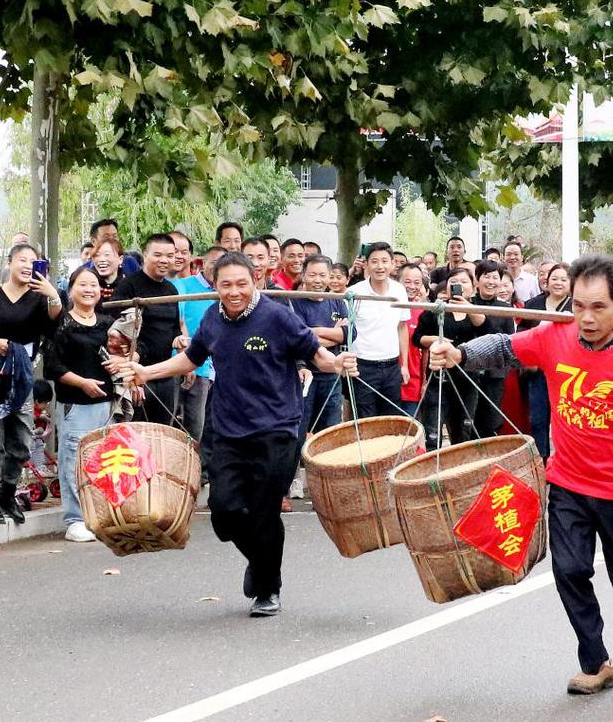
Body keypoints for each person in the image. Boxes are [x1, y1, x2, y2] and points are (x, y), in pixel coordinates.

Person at [428, 254, 613, 695]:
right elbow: (504, 348)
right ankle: (596, 661)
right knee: (569, 569)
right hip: (568, 481)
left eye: (598, 307)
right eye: (578, 306)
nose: (586, 318)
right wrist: (460, 353)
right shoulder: (554, 334)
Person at [122, 252, 358, 616]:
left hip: (277, 429)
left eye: (241, 284)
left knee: (263, 513)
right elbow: (191, 359)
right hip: (229, 430)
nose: (234, 292)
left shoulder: (277, 316)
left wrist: (337, 363)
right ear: (214, 285)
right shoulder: (213, 320)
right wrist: (146, 372)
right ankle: (260, 562)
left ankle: (268, 588)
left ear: (256, 280)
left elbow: (317, 354)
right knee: (224, 513)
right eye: (225, 285)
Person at [0, 243, 63, 524]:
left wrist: (53, 295)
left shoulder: (40, 298)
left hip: (22, 375)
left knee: (23, 439)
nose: (27, 266)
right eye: (22, 260)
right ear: (10, 262)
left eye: (33, 262)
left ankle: (7, 491)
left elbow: (54, 326)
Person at [43, 268, 118, 542]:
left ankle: (101, 515)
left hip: (109, 404)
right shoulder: (62, 324)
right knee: (73, 461)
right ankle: (75, 519)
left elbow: (131, 350)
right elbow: (52, 367)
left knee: (105, 460)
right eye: (83, 284)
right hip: (75, 404)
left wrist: (120, 362)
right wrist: (82, 382)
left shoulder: (108, 323)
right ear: (71, 289)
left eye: (94, 285)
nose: (89, 289)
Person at [110, 234, 181, 426]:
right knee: (136, 432)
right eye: (157, 254)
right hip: (137, 373)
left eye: (170, 255)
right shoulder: (129, 286)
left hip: (164, 374)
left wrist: (179, 340)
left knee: (163, 430)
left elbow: (174, 327)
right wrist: (131, 378)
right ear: (145, 255)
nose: (164, 260)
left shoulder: (171, 290)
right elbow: (117, 333)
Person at [413, 268, 486, 449]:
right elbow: (417, 338)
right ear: (446, 286)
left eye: (464, 282)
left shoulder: (478, 310)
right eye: (454, 282)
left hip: (468, 379)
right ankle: (432, 471)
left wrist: (467, 307)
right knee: (433, 431)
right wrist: (435, 340)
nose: (458, 285)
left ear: (473, 287)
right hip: (439, 379)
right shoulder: (436, 310)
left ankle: (458, 470)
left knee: (463, 429)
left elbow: (486, 328)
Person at [290, 255, 350, 437]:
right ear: (303, 275)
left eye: (323, 275)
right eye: (312, 275)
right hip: (305, 375)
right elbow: (299, 337)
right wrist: (334, 334)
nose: (318, 280)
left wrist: (314, 332)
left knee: (330, 431)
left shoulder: (337, 301)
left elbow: (349, 334)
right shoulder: (294, 302)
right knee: (299, 430)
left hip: (332, 375)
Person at [173, 246, 225, 455]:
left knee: (205, 427)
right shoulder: (184, 286)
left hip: (218, 370)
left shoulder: (228, 292)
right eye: (213, 263)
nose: (218, 268)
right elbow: (179, 321)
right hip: (190, 365)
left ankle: (200, 474)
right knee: (177, 425)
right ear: (202, 263)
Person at [350, 242, 411, 418]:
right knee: (366, 420)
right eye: (374, 261)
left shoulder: (399, 290)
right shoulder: (354, 292)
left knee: (391, 418)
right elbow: (345, 328)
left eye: (385, 261)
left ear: (392, 264)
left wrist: (404, 364)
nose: (380, 266)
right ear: (366, 264)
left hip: (391, 366)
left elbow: (402, 327)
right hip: (363, 367)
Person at [520, 263, 571, 460]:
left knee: (565, 419)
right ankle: (541, 461)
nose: (558, 283)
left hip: (565, 373)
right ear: (546, 281)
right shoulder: (533, 304)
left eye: (563, 279)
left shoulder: (575, 305)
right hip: (537, 371)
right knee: (538, 419)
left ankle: (565, 462)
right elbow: (522, 333)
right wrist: (528, 359)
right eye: (554, 278)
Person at [471, 260, 515, 438]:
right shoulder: (467, 303)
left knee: (491, 422)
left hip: (495, 374)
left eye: (495, 277)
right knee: (468, 421)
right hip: (469, 370)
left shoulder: (505, 308)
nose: (490, 281)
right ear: (477, 280)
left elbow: (510, 340)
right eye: (486, 276)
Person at [399, 263, 429, 415]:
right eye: (407, 282)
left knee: (409, 432)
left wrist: (424, 382)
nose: (412, 286)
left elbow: (426, 352)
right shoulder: (388, 307)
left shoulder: (424, 312)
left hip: (413, 382)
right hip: (389, 380)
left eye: (417, 282)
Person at [92, 238, 125, 313]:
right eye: (97, 255)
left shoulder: (128, 286)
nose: (101, 259)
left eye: (107, 255)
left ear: (120, 259)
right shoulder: (89, 286)